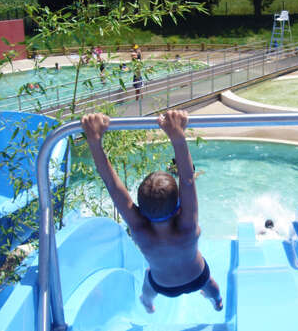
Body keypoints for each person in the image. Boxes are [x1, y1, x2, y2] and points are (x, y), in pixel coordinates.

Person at [81, 111, 223, 313]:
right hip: (197, 276)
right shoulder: (187, 226)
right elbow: (188, 180)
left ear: (141, 209)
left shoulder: (140, 229)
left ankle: (147, 303)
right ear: (178, 205)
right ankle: (217, 301)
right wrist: (177, 136)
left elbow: (113, 187)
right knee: (210, 285)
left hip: (162, 284)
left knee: (147, 288)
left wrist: (94, 141)